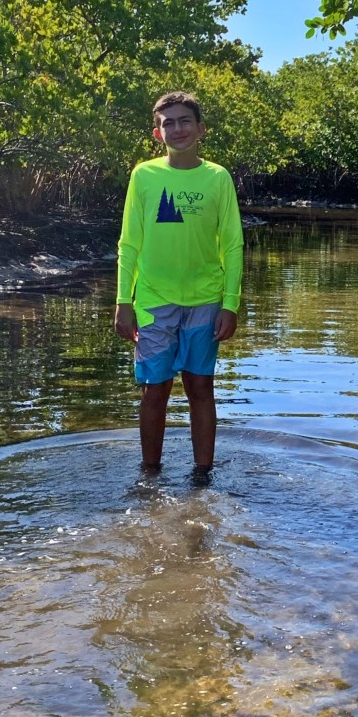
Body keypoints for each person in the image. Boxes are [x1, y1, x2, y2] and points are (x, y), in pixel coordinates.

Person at [114, 91, 244, 478]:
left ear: (201, 129)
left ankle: (202, 477)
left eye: (185, 120)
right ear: (158, 133)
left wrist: (230, 303)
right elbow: (129, 242)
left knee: (201, 387)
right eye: (168, 122)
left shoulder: (218, 177)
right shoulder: (145, 175)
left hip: (206, 301)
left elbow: (233, 244)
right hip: (153, 302)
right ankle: (149, 475)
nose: (177, 128)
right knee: (155, 390)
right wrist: (124, 301)